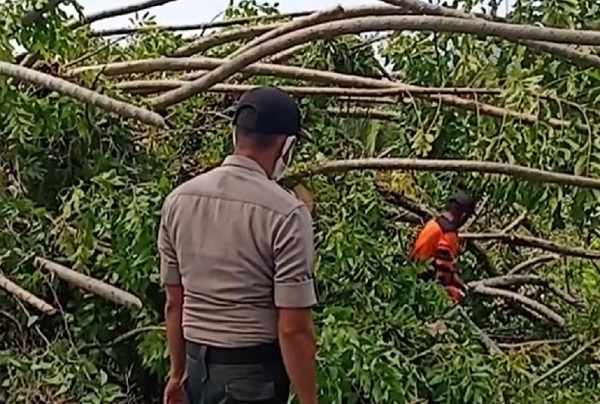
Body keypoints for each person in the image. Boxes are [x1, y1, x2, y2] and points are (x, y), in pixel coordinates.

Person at [158, 86, 318, 404]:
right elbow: (292, 328)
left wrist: (177, 375)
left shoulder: (178, 200)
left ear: (236, 136)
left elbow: (175, 303)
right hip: (251, 378)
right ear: (286, 147)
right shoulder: (287, 213)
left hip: (195, 368)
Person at [409, 190, 474, 303]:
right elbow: (443, 274)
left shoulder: (432, 224)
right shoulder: (448, 234)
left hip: (412, 272)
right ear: (463, 217)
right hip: (425, 283)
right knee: (458, 295)